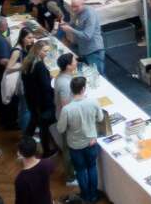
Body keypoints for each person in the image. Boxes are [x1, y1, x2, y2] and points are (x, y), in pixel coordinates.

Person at [57, 76, 103, 204]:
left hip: (75, 146)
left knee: (80, 170)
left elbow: (60, 128)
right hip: (91, 142)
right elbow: (100, 118)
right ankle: (93, 196)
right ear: (83, 89)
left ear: (72, 90)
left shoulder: (67, 109)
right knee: (92, 167)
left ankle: (85, 195)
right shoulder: (93, 102)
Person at [22, 41, 58, 157]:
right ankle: (46, 151)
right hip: (41, 101)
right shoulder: (39, 65)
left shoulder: (28, 62)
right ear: (38, 51)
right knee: (44, 126)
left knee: (34, 120)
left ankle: (24, 144)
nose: (47, 53)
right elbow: (46, 86)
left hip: (31, 99)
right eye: (45, 51)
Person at [60, 0, 105, 75]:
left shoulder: (90, 14)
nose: (73, 9)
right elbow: (75, 23)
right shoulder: (78, 12)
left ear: (83, 4)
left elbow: (87, 36)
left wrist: (70, 29)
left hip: (93, 51)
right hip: (84, 49)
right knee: (89, 74)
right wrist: (66, 24)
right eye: (72, 6)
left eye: (76, 6)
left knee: (98, 76)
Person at [54, 53, 77, 186]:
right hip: (67, 121)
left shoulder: (63, 77)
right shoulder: (65, 83)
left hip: (64, 118)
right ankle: (70, 177)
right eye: (74, 61)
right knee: (68, 149)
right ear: (68, 66)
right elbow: (65, 105)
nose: (76, 62)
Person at [14, 136, 56, 204]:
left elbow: (20, 201)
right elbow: (52, 169)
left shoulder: (21, 179)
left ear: (19, 154)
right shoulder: (47, 163)